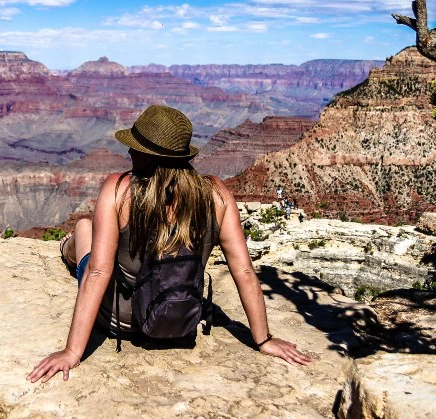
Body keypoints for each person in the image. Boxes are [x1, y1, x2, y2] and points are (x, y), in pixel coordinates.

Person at [27, 105, 312, 384]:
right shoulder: (217, 194)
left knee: (84, 228)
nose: (129, 152)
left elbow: (99, 272)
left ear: (148, 156)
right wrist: (263, 340)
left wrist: (72, 351)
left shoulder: (119, 189)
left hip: (121, 322)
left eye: (135, 147)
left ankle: (67, 246)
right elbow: (245, 271)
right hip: (181, 321)